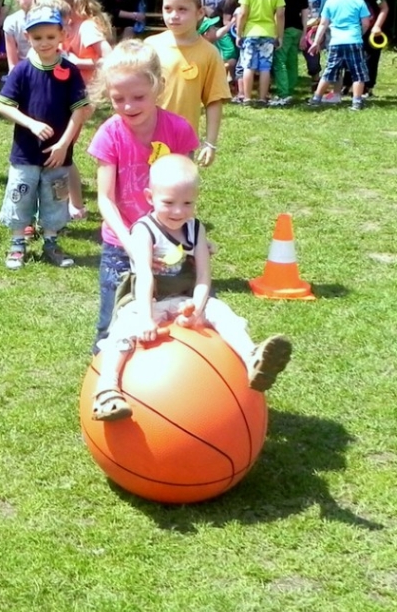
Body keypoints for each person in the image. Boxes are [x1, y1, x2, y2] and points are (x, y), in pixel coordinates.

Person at [89, 154, 292, 421]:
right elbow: (145, 277)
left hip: (184, 295)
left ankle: (252, 357)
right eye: (169, 203)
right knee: (123, 332)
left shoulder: (196, 229)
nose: (178, 211)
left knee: (223, 315)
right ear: (150, 197)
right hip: (148, 298)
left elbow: (204, 276)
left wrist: (197, 306)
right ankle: (107, 389)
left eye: (187, 203)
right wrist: (147, 319)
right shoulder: (144, 230)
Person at [86, 40, 199, 347]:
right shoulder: (109, 134)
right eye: (118, 98)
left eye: (138, 97)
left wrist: (193, 235)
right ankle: (103, 382)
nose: (128, 106)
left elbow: (184, 188)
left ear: (159, 87)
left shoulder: (178, 130)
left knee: (175, 316)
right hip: (120, 247)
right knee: (113, 323)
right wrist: (133, 246)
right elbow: (105, 199)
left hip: (168, 244)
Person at [0, 5, 92, 269]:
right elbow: (3, 105)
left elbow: (80, 111)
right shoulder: (22, 71)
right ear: (28, 38)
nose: (45, 43)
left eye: (51, 36)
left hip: (58, 154)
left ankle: (51, 241)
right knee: (21, 192)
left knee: (55, 196)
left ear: (62, 34)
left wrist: (64, 144)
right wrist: (31, 124)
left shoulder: (70, 72)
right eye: (38, 38)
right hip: (25, 152)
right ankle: (17, 244)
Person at [145, 0, 230, 166]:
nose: (174, 15)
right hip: (144, 135)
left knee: (175, 193)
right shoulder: (150, 46)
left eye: (182, 9)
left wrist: (210, 143)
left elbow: (214, 100)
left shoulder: (209, 53)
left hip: (182, 140)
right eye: (168, 8)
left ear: (200, 13)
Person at [307, 0, 372, 111]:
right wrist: (359, 33)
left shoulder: (331, 1)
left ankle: (316, 98)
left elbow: (323, 24)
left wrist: (316, 42)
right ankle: (356, 101)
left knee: (329, 72)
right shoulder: (358, 2)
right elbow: (366, 23)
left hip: (335, 43)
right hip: (354, 41)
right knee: (358, 73)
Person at [235, 0, 285, 107]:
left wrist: (238, 33)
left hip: (250, 32)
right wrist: (280, 35)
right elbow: (281, 14)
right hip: (268, 32)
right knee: (265, 67)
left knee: (248, 66)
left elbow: (242, 13)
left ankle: (248, 98)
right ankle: (263, 98)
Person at [269, 0, 308, 107]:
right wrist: (304, 32)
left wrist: (277, 33)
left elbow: (281, 12)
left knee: (280, 60)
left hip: (285, 28)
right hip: (298, 28)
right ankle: (290, 89)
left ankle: (283, 93)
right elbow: (305, 11)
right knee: (292, 60)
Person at [353, 0, 389, 98]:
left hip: (372, 30)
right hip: (355, 29)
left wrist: (378, 26)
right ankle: (348, 85)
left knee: (370, 58)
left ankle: (368, 87)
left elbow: (384, 7)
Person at [3, 0, 46, 72]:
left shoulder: (55, 20)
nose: (31, 0)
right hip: (24, 74)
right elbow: (12, 65)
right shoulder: (12, 22)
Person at [299, 0, 326, 89]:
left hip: (313, 29)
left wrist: (318, 22)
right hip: (299, 27)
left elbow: (324, 14)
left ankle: (315, 77)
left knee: (313, 54)